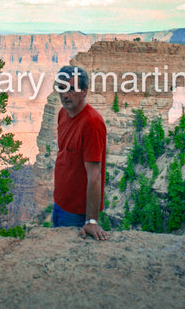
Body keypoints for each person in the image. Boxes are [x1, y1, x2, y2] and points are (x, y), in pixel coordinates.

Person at [52, 65, 108, 240]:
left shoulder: (92, 123)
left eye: (71, 89)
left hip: (76, 214)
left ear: (84, 91)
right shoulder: (63, 113)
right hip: (59, 204)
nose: (65, 94)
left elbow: (95, 175)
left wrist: (91, 221)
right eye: (61, 88)